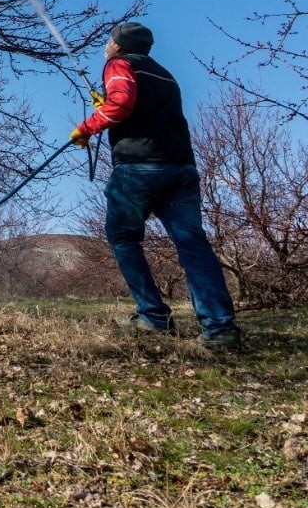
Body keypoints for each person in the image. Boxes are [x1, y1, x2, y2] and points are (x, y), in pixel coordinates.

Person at [70, 22, 243, 350]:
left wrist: (87, 127)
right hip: (181, 167)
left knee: (123, 237)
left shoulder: (118, 64)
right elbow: (132, 107)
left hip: (139, 167)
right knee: (192, 244)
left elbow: (122, 104)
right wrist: (104, 106)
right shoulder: (164, 73)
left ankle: (153, 316)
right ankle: (220, 328)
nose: (106, 45)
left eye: (110, 40)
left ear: (119, 45)